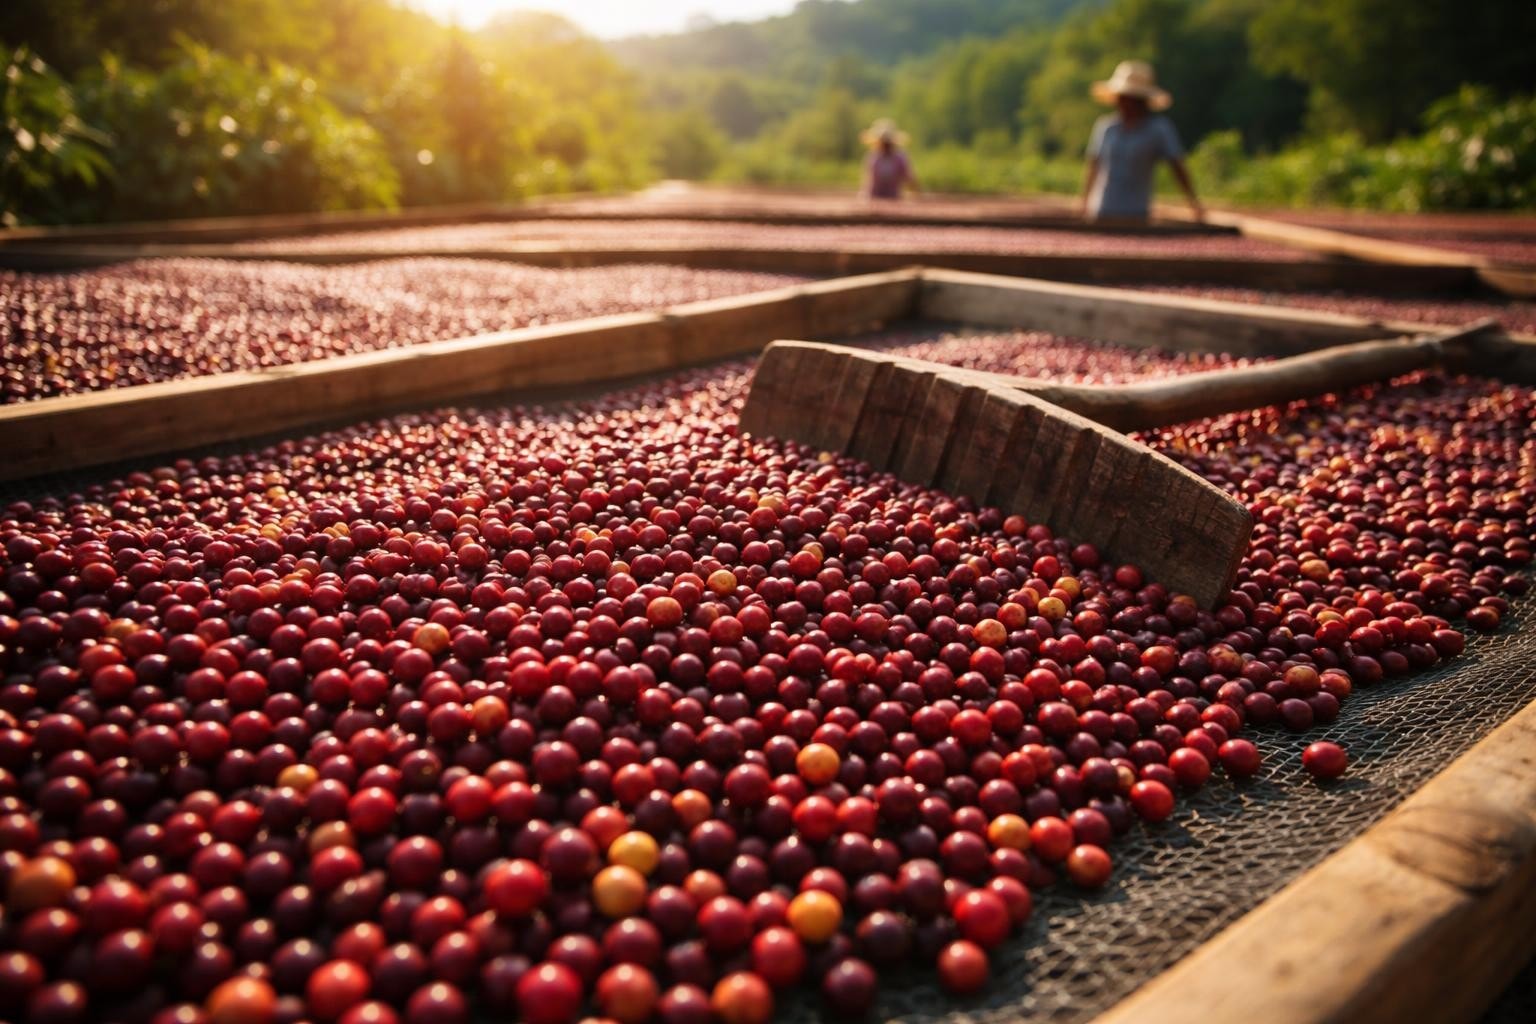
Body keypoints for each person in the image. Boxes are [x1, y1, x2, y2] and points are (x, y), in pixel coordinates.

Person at [1081, 60, 1203, 223]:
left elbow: (1176, 165)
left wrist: (1193, 203)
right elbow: (1094, 165)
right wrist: (1084, 203)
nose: (1124, 103)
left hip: (1136, 211)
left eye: (1130, 98)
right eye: (1122, 97)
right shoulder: (1106, 127)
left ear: (1141, 101)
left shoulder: (1159, 129)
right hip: (1103, 209)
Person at [860, 119, 918, 200]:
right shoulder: (873, 157)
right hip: (873, 198)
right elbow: (868, 181)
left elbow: (909, 178)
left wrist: (916, 193)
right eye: (883, 142)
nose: (885, 145)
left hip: (894, 199)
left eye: (887, 142)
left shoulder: (900, 158)